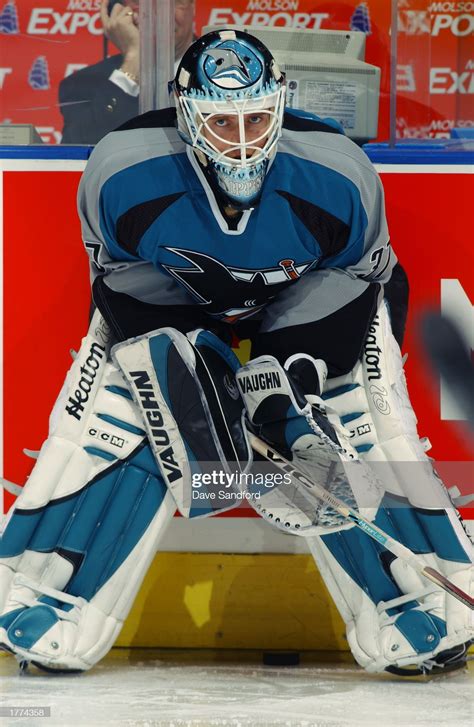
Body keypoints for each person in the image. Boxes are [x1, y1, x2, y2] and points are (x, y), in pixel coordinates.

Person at [1, 30, 472, 676]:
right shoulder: (124, 173)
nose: (243, 139)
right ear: (188, 113)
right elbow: (122, 291)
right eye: (222, 120)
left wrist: (290, 392)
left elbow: (364, 286)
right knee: (120, 414)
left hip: (315, 299)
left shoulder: (338, 176)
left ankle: (417, 604)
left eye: (256, 118)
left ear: (282, 106)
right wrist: (195, 369)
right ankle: (40, 593)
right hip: (169, 298)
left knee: (358, 423)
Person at [59, 0, 194, 144]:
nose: (158, 14)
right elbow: (77, 154)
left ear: (193, 7)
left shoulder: (219, 69)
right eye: (140, 1)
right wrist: (134, 61)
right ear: (117, 12)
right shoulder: (82, 83)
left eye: (174, 1)